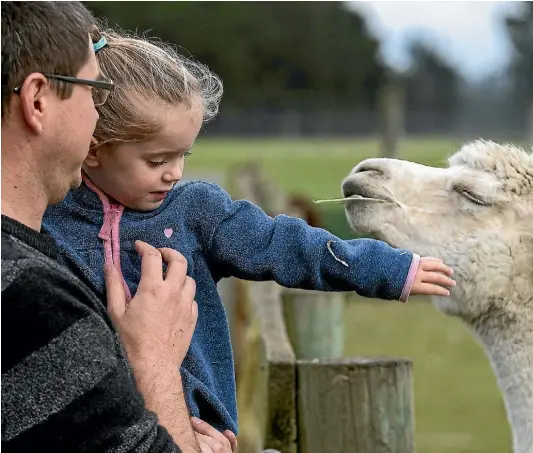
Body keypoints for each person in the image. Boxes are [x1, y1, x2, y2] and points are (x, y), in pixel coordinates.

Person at [42, 26, 457, 437]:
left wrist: (387, 268)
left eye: (183, 155)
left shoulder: (196, 211)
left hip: (202, 432)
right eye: (156, 160)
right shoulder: (49, 221)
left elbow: (287, 245)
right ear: (94, 150)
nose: (175, 173)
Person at [1, 2, 232, 452]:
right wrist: (154, 362)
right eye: (94, 91)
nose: (98, 118)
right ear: (37, 101)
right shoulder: (29, 299)